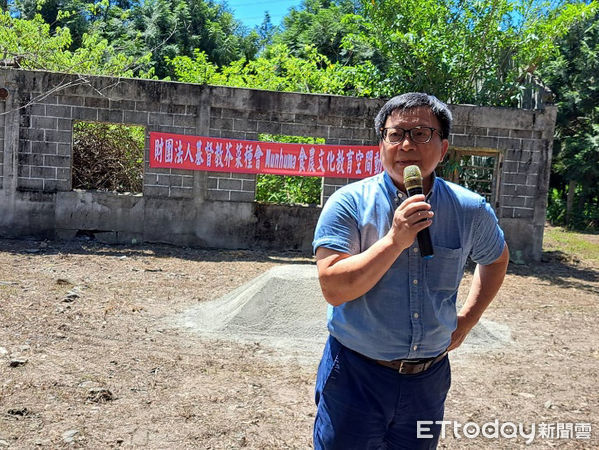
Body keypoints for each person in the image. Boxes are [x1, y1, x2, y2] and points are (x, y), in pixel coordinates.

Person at [312, 92, 509, 449]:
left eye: (421, 134)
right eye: (396, 134)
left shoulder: (469, 209)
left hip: (428, 381)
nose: (406, 144)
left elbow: (495, 259)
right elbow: (334, 288)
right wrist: (395, 239)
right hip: (356, 374)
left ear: (443, 147)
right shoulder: (348, 204)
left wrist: (467, 319)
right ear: (381, 145)